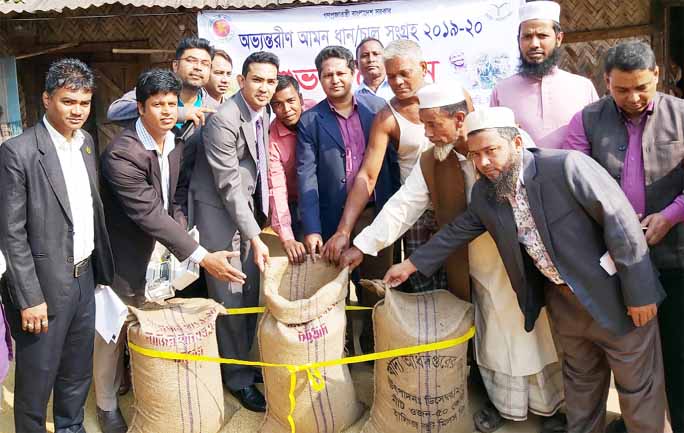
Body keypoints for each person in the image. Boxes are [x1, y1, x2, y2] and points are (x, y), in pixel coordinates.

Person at [384, 106, 670, 433]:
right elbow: (458, 229)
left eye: (491, 151)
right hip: (565, 306)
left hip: (617, 299)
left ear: (517, 143)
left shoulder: (565, 167)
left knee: (638, 392)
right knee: (581, 389)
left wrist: (641, 293)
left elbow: (622, 227)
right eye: (475, 155)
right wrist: (410, 264)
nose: (484, 163)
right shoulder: (486, 193)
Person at [340, 86, 564, 432]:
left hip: (522, 256)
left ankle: (550, 406)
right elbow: (404, 205)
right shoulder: (433, 158)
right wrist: (363, 245)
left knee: (536, 329)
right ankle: (502, 404)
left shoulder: (507, 139)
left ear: (459, 119)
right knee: (489, 332)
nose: (427, 134)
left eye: (432, 125)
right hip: (473, 262)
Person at [95, 69, 246, 433]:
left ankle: (142, 387)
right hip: (124, 256)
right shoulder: (122, 153)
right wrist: (200, 254)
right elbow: (147, 212)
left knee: (148, 323)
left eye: (170, 104)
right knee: (111, 333)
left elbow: (173, 198)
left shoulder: (175, 145)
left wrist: (182, 229)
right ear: (140, 108)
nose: (165, 112)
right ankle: (106, 403)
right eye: (156, 105)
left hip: (159, 255)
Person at [564, 41, 684, 433]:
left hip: (675, 255)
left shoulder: (681, 115)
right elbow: (571, 181)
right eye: (621, 90)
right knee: (629, 353)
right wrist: (612, 223)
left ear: (657, 77)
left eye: (641, 88)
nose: (632, 98)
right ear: (605, 83)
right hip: (614, 261)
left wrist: (669, 216)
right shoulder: (587, 119)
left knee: (678, 349)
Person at [0, 58, 115, 433]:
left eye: (84, 103)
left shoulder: (85, 144)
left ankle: (71, 427)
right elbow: (11, 233)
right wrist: (29, 298)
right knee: (36, 380)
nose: (77, 111)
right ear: (47, 99)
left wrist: (98, 274)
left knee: (76, 372)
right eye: (68, 101)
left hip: (83, 279)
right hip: (43, 286)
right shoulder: (18, 152)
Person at [189, 51, 279, 412]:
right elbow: (228, 184)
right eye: (257, 80)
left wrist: (259, 227)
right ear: (242, 82)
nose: (264, 88)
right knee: (229, 296)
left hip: (246, 217)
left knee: (250, 293)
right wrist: (256, 236)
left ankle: (244, 363)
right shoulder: (224, 119)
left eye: (271, 81)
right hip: (219, 217)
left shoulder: (264, 113)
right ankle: (237, 379)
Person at [296, 45, 398, 353]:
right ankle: (339, 349)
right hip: (331, 218)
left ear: (354, 73)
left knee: (375, 289)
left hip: (373, 215)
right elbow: (306, 177)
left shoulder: (377, 107)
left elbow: (391, 163)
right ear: (319, 79)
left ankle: (373, 348)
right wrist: (312, 228)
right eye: (328, 75)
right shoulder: (310, 120)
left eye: (341, 73)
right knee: (333, 290)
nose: (335, 79)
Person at [324, 40, 446, 293]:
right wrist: (344, 230)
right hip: (414, 211)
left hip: (454, 204)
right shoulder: (387, 117)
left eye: (404, 74)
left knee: (462, 282)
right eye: (391, 77)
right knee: (421, 287)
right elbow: (367, 177)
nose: (398, 82)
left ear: (423, 68)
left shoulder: (451, 98)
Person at [107, 36, 219, 217]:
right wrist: (180, 113)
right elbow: (114, 111)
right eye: (191, 61)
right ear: (175, 66)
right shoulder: (153, 90)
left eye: (205, 63)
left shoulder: (215, 109)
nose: (198, 67)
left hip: (191, 201)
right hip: (148, 191)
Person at [490, 0, 598, 149]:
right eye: (527, 36)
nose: (534, 44)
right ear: (518, 40)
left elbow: (597, 139)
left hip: (573, 172)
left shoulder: (584, 87)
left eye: (542, 35)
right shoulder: (501, 90)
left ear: (558, 39)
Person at [267, 74, 316, 264]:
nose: (286, 110)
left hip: (329, 198)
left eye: (291, 101)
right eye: (278, 104)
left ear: (301, 99)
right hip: (296, 203)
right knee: (308, 257)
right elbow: (277, 188)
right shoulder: (273, 139)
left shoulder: (316, 112)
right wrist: (287, 236)